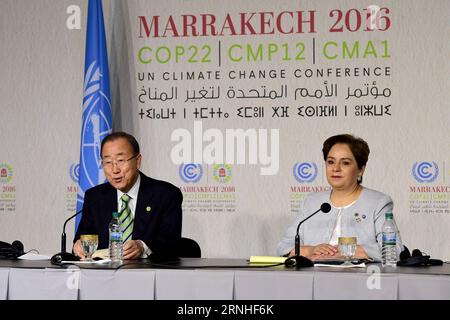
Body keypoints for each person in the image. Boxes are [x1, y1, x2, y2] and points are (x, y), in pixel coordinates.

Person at [277, 134, 402, 262]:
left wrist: (347, 251)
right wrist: (311, 250)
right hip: (312, 277)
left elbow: (394, 250)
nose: (335, 169)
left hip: (359, 278)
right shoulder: (312, 202)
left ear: (360, 170)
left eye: (345, 163)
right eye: (331, 162)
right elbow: (283, 248)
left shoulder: (378, 203)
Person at [73, 131, 182, 259]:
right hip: (104, 275)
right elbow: (83, 235)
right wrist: (79, 245)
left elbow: (171, 242)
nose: (115, 170)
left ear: (137, 161)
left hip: (149, 274)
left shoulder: (166, 195)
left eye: (120, 160)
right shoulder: (95, 197)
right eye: (108, 162)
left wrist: (142, 247)